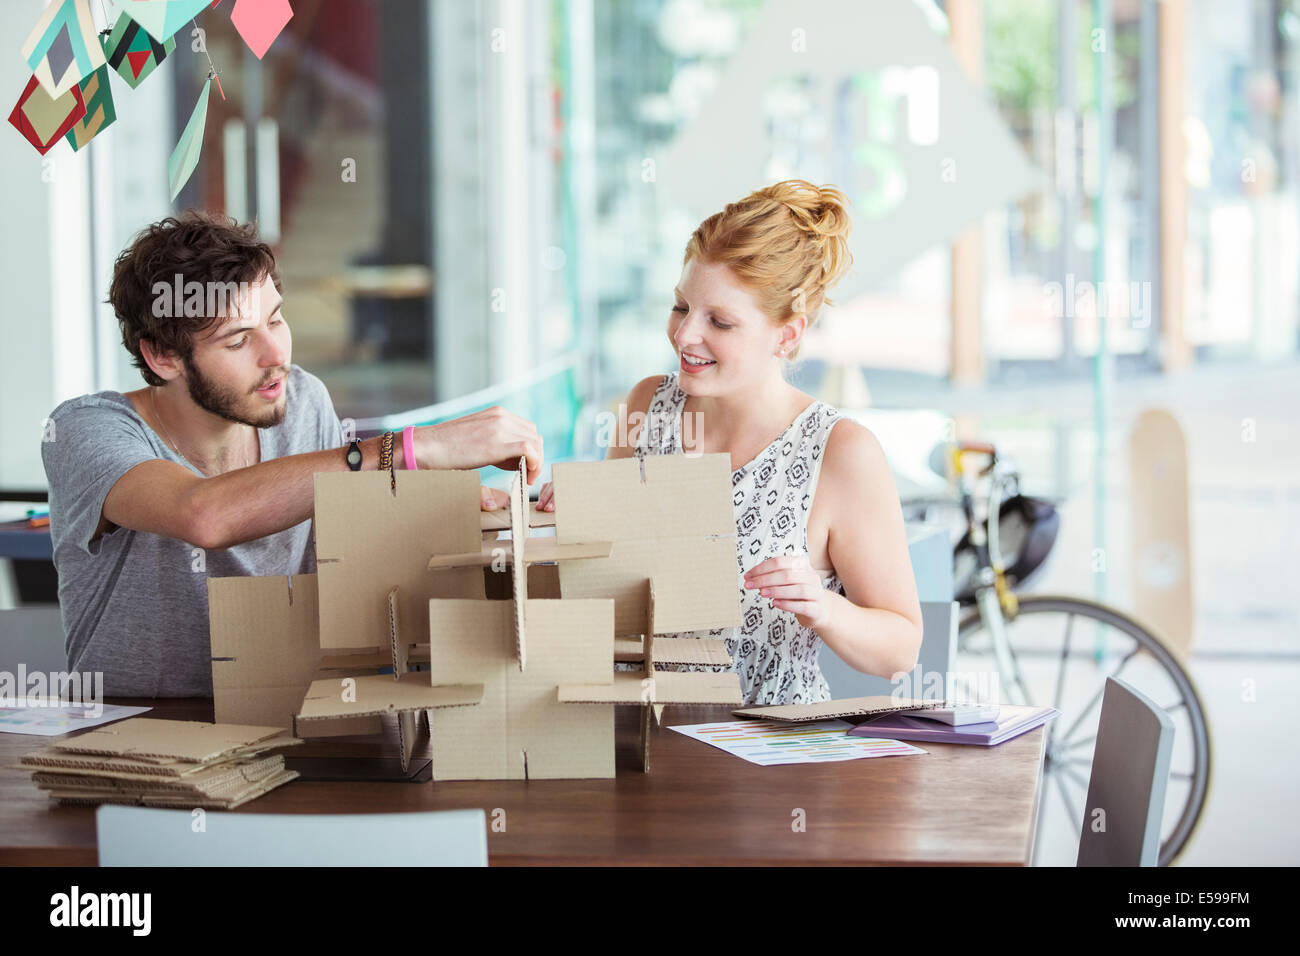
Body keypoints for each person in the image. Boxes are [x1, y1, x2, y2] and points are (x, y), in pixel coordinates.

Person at [41, 212, 543, 697]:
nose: (276, 355)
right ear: (162, 356)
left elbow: (345, 545)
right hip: (134, 733)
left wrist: (442, 505)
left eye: (276, 320)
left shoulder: (301, 400)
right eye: (238, 340)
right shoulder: (85, 429)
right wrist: (415, 448)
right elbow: (203, 515)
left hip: (284, 712)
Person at [539, 180, 922, 705]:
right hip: (642, 735)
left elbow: (900, 648)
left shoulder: (840, 452)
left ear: (786, 336)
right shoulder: (648, 405)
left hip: (772, 756)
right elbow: (609, 582)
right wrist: (572, 522)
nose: (683, 335)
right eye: (681, 307)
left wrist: (823, 607)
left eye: (719, 321)